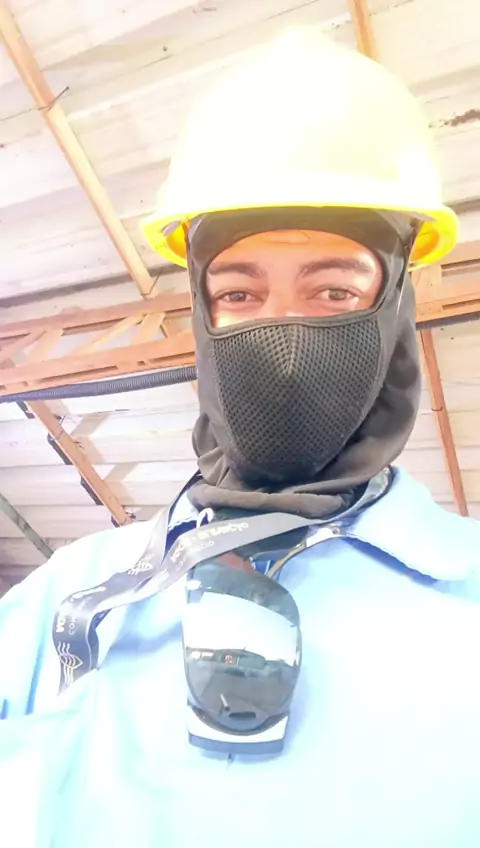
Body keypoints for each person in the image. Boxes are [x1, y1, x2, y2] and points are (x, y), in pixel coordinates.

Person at [1, 26, 480, 848]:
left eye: (334, 291)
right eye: (238, 294)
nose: (283, 340)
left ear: (396, 308)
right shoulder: (68, 596)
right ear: (201, 312)